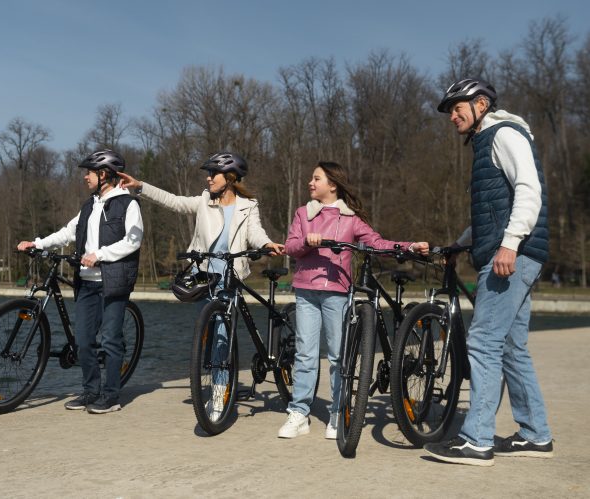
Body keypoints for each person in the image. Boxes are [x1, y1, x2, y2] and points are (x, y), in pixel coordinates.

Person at [424, 78, 552, 466]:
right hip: (514, 251)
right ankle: (535, 434)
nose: (451, 116)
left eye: (456, 107)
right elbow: (493, 211)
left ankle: (477, 440)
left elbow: (529, 190)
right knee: (512, 348)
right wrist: (462, 243)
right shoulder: (487, 142)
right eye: (448, 111)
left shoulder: (503, 134)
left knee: (482, 342)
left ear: (481, 103)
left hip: (511, 255)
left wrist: (510, 243)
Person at [118, 152, 284, 420]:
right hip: (205, 276)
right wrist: (140, 187)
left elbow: (255, 233)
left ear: (229, 179)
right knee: (210, 333)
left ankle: (219, 395)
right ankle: (212, 377)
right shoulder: (205, 201)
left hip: (231, 276)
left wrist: (266, 245)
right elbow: (174, 202)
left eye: (213, 174)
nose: (208, 179)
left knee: (222, 337)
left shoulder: (248, 205)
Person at [280, 161, 428, 439]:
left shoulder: (350, 219)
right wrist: (307, 243)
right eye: (312, 179)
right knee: (305, 353)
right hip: (306, 290)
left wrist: (408, 246)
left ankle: (339, 410)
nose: (310, 183)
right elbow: (290, 247)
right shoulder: (303, 213)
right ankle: (299, 413)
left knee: (339, 356)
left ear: (332, 185)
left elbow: (377, 242)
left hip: (337, 291)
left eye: (316, 179)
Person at [16, 149, 143, 414]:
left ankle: (111, 396)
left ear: (104, 174)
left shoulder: (127, 204)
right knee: (84, 341)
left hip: (113, 282)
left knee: (110, 339)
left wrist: (100, 255)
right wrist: (36, 244)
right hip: (86, 282)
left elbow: (133, 240)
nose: (85, 177)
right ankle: (90, 391)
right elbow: (67, 233)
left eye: (89, 172)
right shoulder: (89, 205)